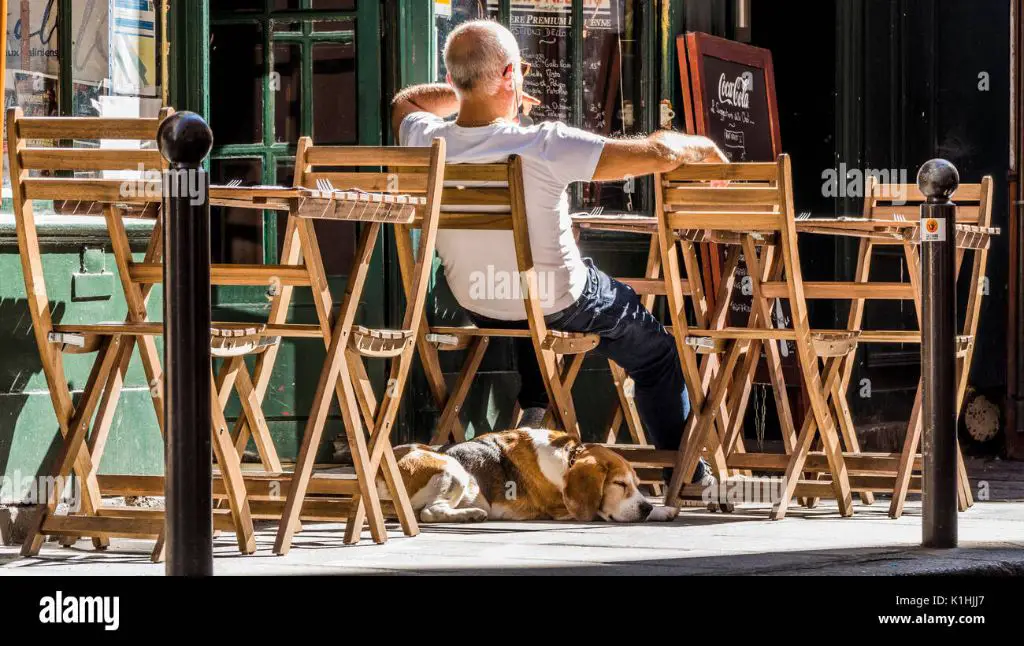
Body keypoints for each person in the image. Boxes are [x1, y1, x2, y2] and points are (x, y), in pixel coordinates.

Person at [392, 20, 725, 486]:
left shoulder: (425, 138)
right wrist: (705, 147)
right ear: (510, 74)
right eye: (519, 70)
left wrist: (470, 88)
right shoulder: (543, 143)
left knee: (533, 309)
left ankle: (537, 406)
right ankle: (687, 476)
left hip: (479, 303)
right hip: (558, 301)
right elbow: (659, 151)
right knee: (656, 354)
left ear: (451, 80)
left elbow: (404, 103)